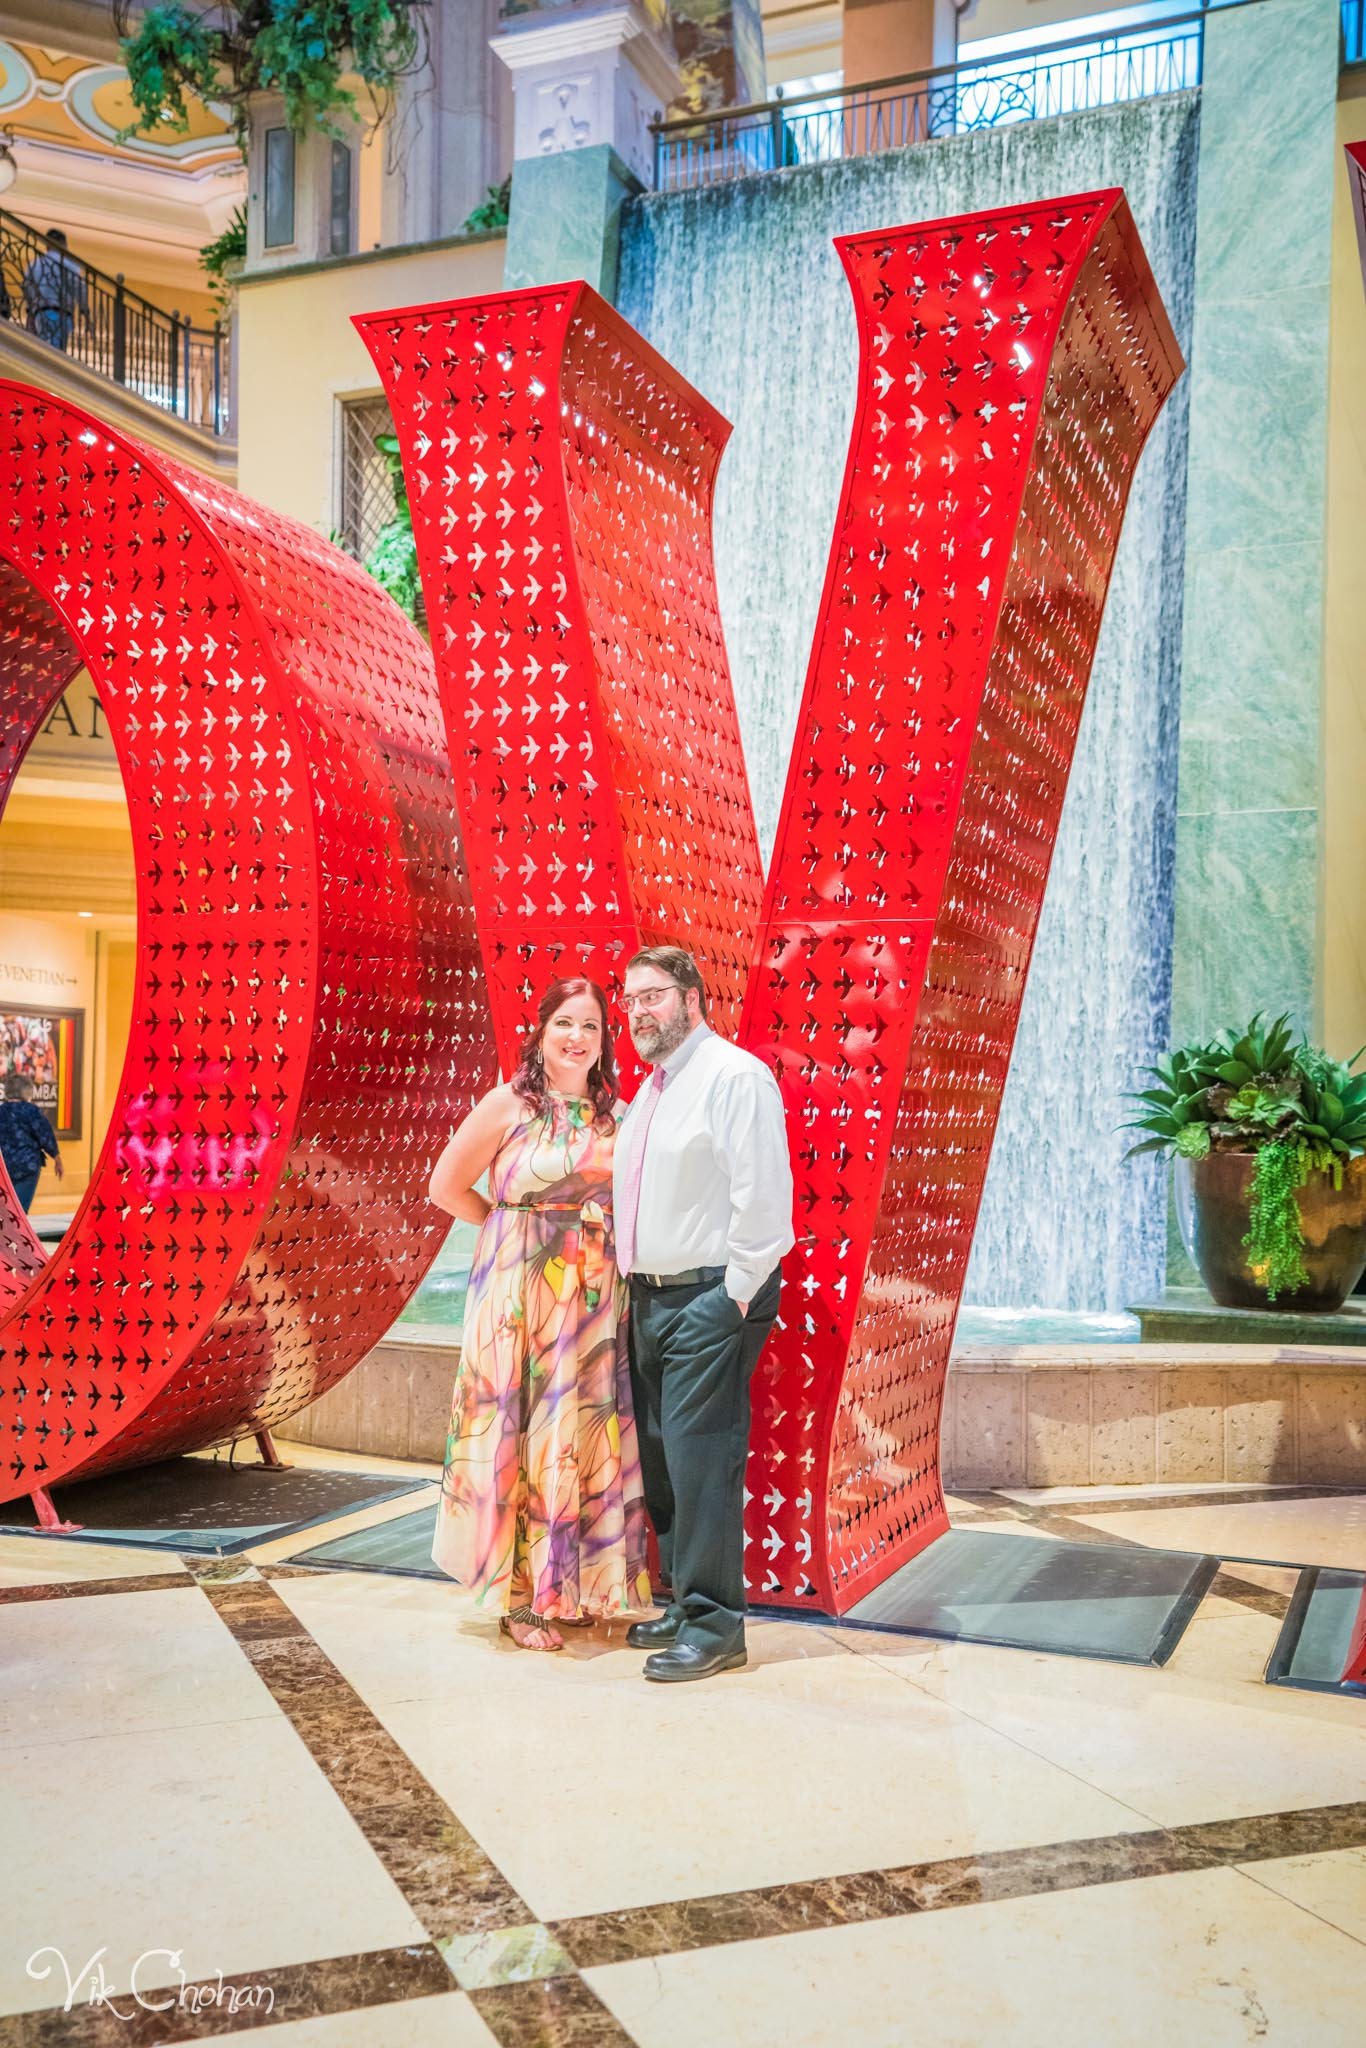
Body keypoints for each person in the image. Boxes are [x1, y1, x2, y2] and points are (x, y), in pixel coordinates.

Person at [427, 977, 651, 1650]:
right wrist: (512, 1231)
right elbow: (446, 1187)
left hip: (590, 1297)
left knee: (578, 1430)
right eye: (565, 1024)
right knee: (520, 1432)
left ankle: (573, 1586)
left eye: (591, 1026)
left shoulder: (619, 1115)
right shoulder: (510, 1104)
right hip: (520, 1292)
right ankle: (520, 1600)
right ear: (542, 1031)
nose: (577, 1038)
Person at [613, 945, 794, 1683]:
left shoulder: (734, 1076)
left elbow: (764, 1196)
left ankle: (720, 1628)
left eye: (653, 996)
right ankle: (688, 1606)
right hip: (652, 1296)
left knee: (701, 1461)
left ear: (693, 999)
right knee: (664, 1462)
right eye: (630, 1001)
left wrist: (736, 1292)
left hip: (711, 1294)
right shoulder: (656, 1088)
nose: (639, 1012)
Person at [0, 1073, 62, 1213]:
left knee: (3, 1212)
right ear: (27, 1091)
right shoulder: (32, 1111)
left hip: (3, 1169)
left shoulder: (1, 1111)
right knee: (19, 1213)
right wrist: (57, 1159)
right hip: (28, 1167)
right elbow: (45, 1136)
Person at [21, 228, 87, 352]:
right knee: (56, 350)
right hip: (60, 313)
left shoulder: (36, 263)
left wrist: (30, 310)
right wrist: (84, 309)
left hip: (40, 312)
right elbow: (79, 288)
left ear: (47, 244)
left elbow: (27, 287)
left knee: (43, 347)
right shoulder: (69, 264)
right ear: (63, 244)